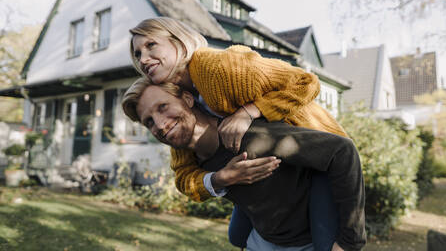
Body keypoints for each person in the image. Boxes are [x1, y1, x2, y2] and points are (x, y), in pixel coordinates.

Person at [129, 17, 349, 250]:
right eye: (137, 54)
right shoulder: (176, 102)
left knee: (326, 242)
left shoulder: (219, 68)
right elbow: (184, 174)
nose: (143, 59)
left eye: (151, 45)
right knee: (237, 236)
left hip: (317, 153)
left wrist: (248, 112)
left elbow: (306, 82)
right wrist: (221, 178)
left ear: (179, 43)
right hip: (272, 168)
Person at [122, 79, 366, 251]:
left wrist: (349, 242)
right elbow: (186, 183)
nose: (161, 125)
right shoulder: (192, 161)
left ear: (187, 98)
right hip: (262, 240)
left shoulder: (251, 137)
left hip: (306, 243)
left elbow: (342, 151)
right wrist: (222, 178)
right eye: (149, 122)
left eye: (163, 107)